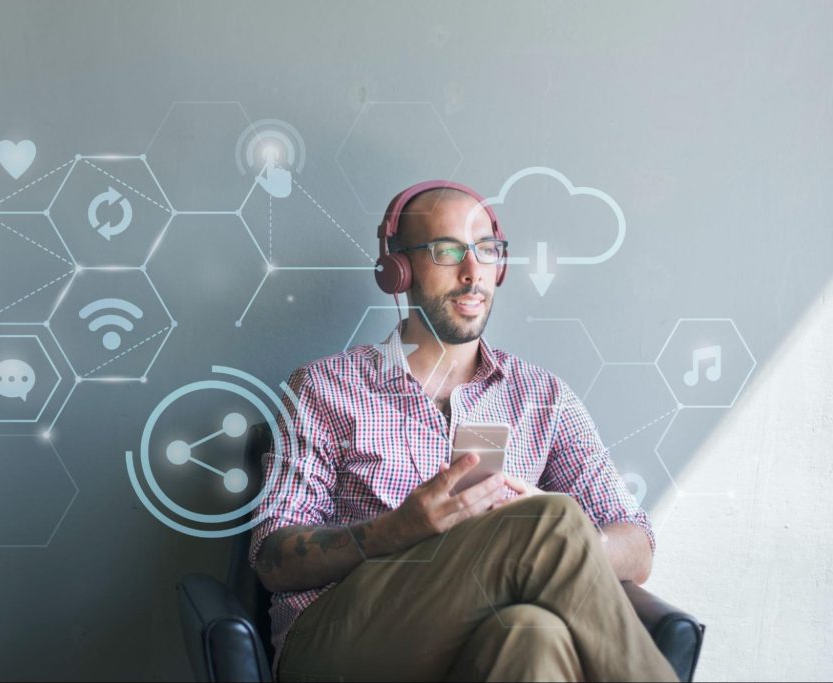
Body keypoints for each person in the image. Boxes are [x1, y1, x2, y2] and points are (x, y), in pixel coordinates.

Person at [249, 180, 678, 682]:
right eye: (447, 251)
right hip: (335, 642)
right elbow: (271, 557)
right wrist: (393, 531)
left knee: (533, 634)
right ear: (398, 269)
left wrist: (543, 545)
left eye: (487, 251)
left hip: (476, 646)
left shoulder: (542, 399)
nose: (473, 272)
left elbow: (638, 545)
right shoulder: (324, 386)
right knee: (550, 522)